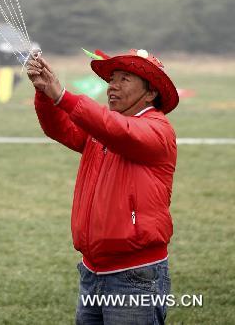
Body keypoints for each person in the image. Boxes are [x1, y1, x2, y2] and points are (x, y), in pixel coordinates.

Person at [27, 48, 178, 323]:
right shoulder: (102, 127)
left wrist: (62, 96)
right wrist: (45, 94)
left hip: (136, 275)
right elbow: (59, 128)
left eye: (124, 79)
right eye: (111, 79)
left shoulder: (158, 129)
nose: (112, 86)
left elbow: (119, 131)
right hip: (92, 270)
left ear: (151, 92)